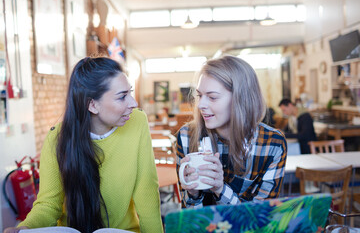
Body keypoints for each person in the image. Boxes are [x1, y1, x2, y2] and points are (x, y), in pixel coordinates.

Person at [4, 57, 163, 233]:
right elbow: (49, 204)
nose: (133, 103)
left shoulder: (137, 122)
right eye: (122, 97)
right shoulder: (57, 138)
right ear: (92, 105)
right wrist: (24, 229)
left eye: (130, 93)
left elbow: (146, 193)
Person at [176, 55, 287, 208]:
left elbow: (260, 218)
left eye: (212, 97)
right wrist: (192, 194)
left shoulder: (272, 144)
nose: (201, 104)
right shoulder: (186, 136)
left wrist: (220, 189)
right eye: (200, 95)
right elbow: (190, 217)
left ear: (241, 99)